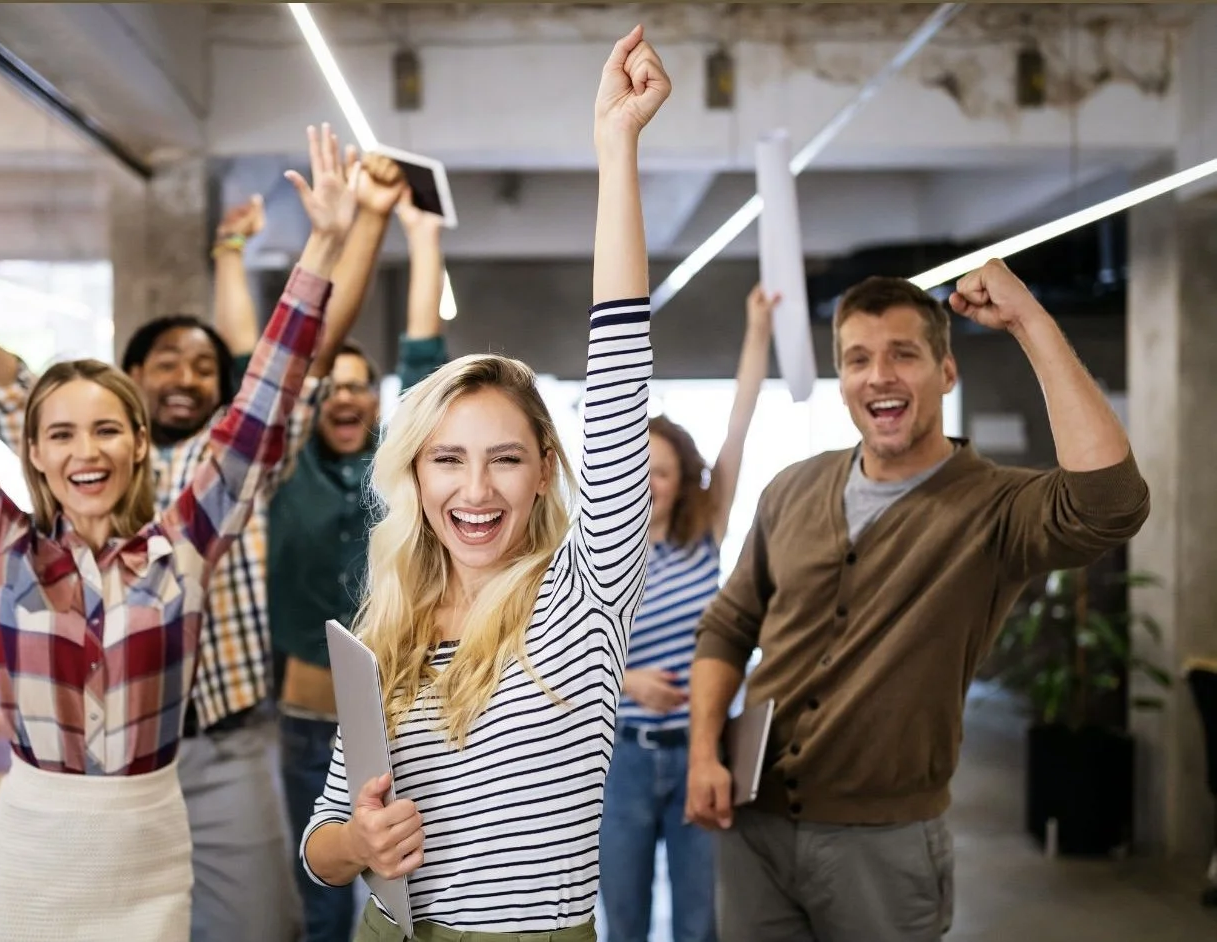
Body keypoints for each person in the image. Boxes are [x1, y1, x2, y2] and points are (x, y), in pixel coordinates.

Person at [0, 111, 354, 941]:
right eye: (60, 434)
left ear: (140, 445)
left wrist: (321, 251)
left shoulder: (183, 549)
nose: (85, 451)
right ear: (33, 451)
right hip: (30, 857)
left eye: (107, 428)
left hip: (149, 852)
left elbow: (260, 413)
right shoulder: (4, 550)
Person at [299, 24, 668, 941]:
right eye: (447, 460)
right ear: (415, 477)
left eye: (506, 457)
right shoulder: (386, 624)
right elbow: (320, 838)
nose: (477, 489)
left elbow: (621, 372)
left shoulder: (583, 598)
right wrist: (358, 843)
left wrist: (615, 150)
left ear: (546, 472)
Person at [685, 267, 1151, 941]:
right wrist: (705, 752)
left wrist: (1030, 321)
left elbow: (1110, 505)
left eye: (904, 354)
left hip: (884, 842)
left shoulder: (994, 508)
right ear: (841, 381)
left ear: (947, 372)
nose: (880, 375)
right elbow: (728, 626)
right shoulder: (792, 488)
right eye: (858, 359)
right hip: (751, 826)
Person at [269, 171, 450, 942]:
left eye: (358, 385)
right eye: (329, 387)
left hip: (403, 715)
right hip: (307, 718)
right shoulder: (282, 472)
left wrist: (422, 236)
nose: (344, 397)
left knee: (409, 894)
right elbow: (294, 365)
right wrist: (354, 230)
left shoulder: (398, 463)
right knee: (318, 899)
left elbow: (424, 359)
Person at [599, 284, 775, 942]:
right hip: (623, 759)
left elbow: (740, 421)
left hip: (704, 751)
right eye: (637, 467)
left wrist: (757, 329)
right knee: (625, 921)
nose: (649, 481)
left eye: (663, 471)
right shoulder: (592, 557)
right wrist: (627, 683)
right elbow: (552, 654)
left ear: (681, 479)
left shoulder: (704, 535)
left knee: (700, 922)